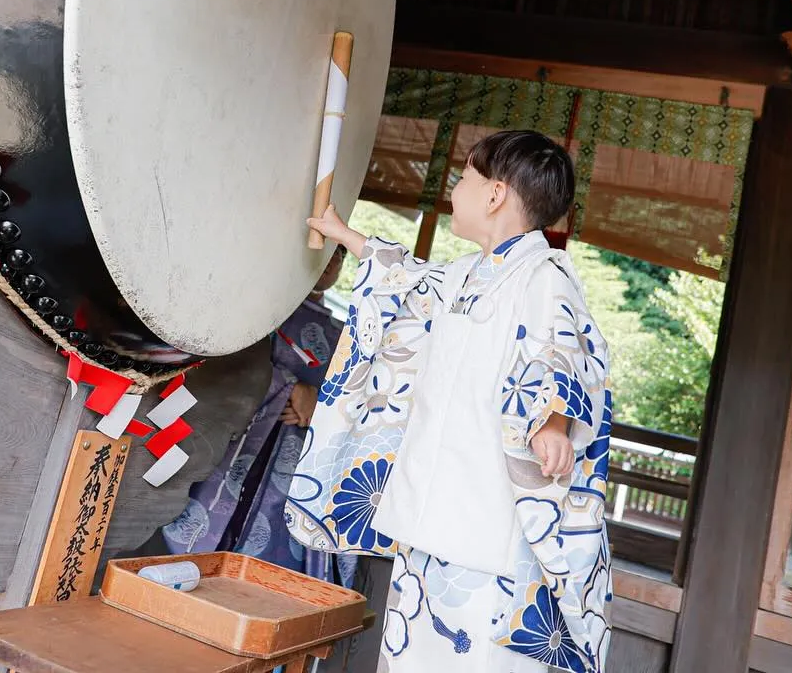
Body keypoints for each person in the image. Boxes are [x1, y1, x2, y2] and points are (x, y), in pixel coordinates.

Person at [287, 130, 613, 673]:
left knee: (475, 657)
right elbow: (407, 280)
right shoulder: (465, 273)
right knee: (412, 648)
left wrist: (552, 420)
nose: (454, 189)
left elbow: (565, 348)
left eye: (465, 177)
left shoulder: (544, 273)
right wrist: (345, 234)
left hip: (488, 518)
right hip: (430, 506)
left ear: (495, 195)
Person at [162, 247, 356, 588]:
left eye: (341, 254)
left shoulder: (344, 334)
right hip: (241, 439)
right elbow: (230, 361)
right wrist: (289, 386)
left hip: (294, 456)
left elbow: (349, 398)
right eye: (328, 250)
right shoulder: (264, 306)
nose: (333, 261)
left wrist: (318, 406)